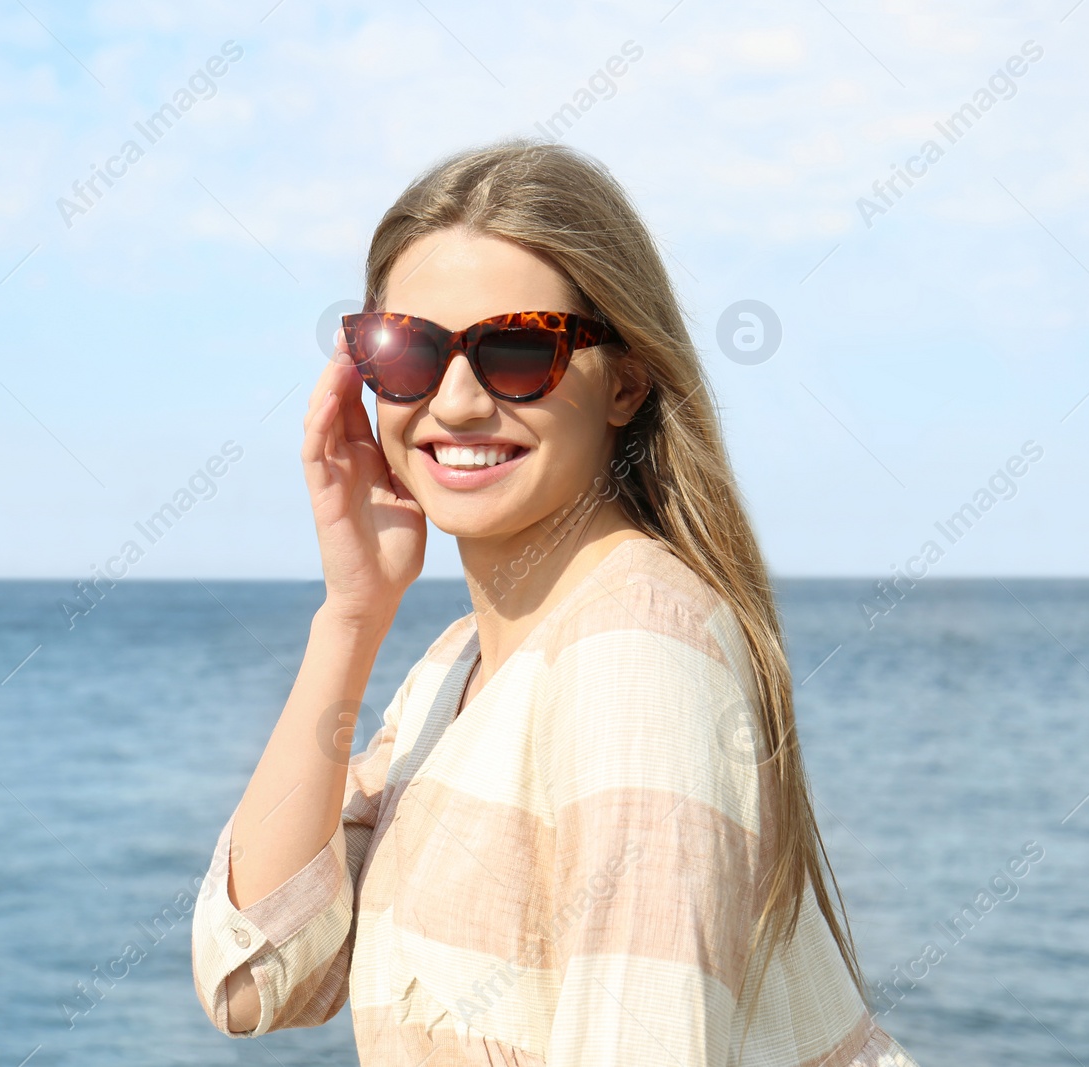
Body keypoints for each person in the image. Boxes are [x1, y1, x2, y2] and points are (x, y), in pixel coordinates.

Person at [190, 137, 919, 1066]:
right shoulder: (458, 667)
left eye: (518, 348)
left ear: (624, 380)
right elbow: (256, 975)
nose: (452, 403)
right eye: (407, 350)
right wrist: (351, 613)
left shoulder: (634, 657)